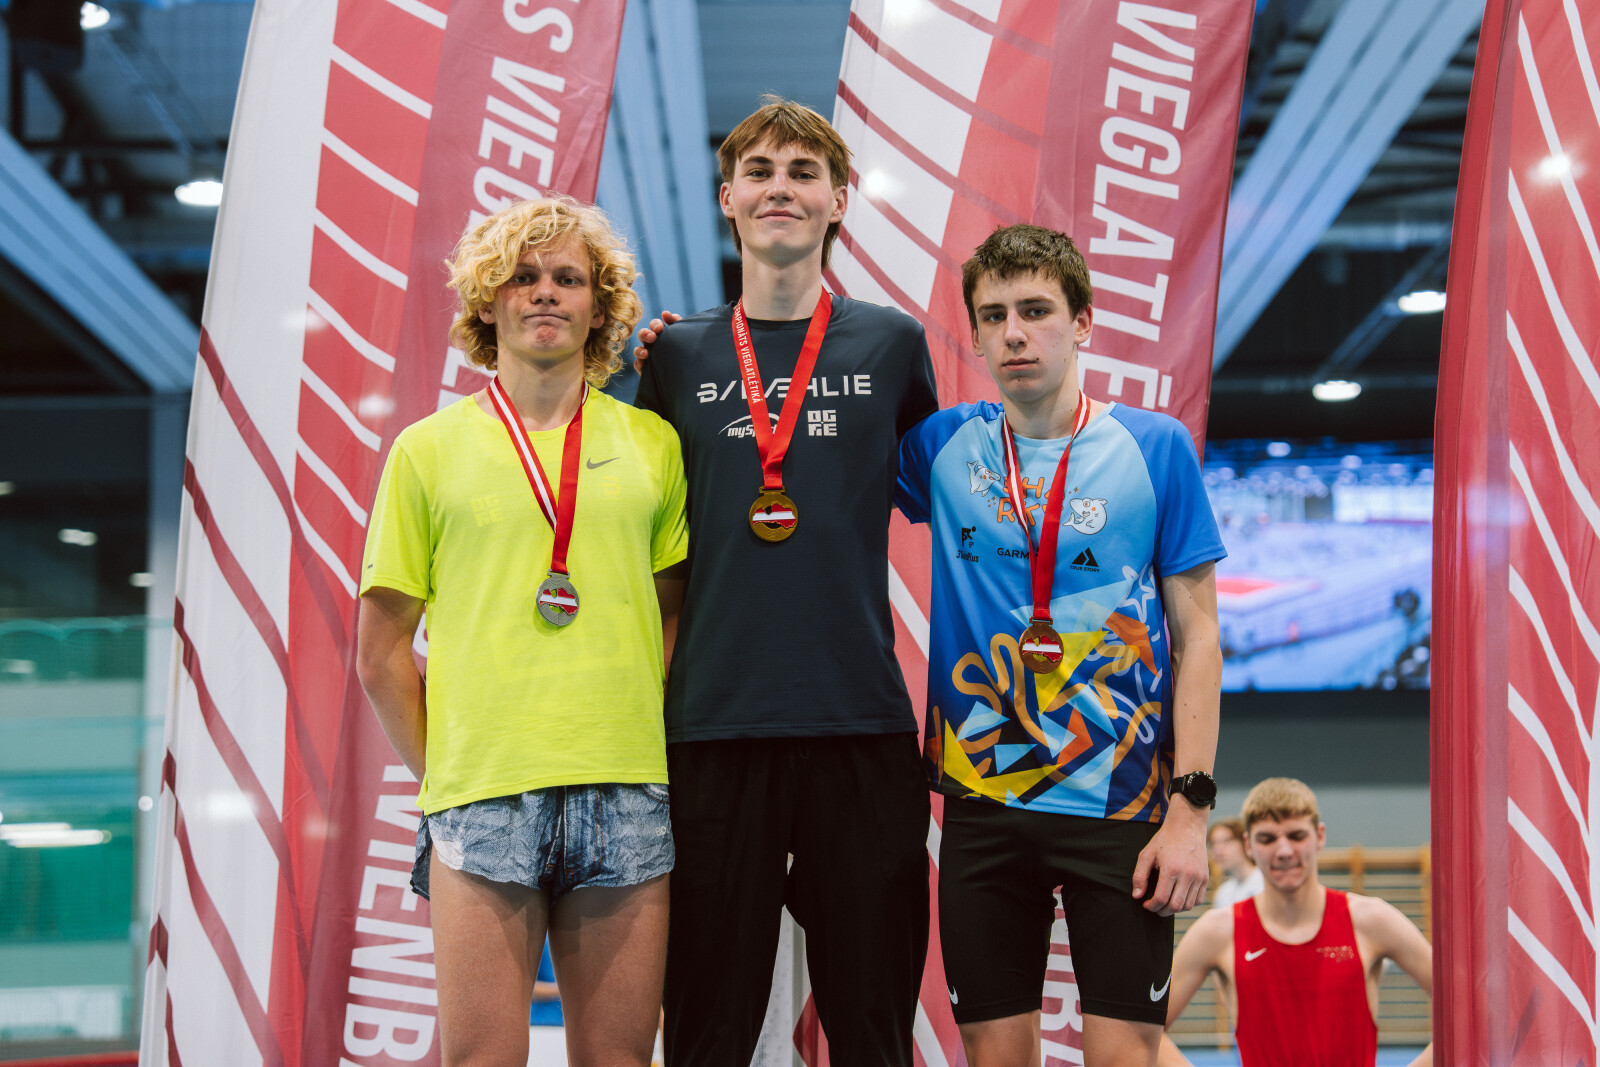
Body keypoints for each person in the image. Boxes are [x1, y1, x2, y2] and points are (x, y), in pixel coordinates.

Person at [632, 95, 940, 1067]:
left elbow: (948, 501)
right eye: (758, 172)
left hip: (861, 725)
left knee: (874, 1030)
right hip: (710, 731)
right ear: (726, 197)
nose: (780, 188)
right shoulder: (675, 354)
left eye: (804, 173)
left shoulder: (893, 344)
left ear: (839, 200)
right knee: (707, 1031)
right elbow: (644, 538)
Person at [355, 196, 689, 1067]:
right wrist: (450, 773)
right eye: (522, 276)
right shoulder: (426, 451)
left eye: (568, 278)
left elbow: (673, 617)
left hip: (628, 784)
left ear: (600, 307)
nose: (545, 291)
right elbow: (380, 652)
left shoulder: (655, 445)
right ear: (487, 301)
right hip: (482, 794)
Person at [895, 223, 1225, 1067]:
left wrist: (1191, 808)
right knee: (996, 1056)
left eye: (1036, 310)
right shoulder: (941, 447)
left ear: (1082, 321)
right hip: (983, 803)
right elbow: (815, 463)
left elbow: (1199, 636)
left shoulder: (1155, 448)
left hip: (1121, 807)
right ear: (974, 335)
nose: (1014, 333)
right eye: (993, 315)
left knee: (1125, 1057)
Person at [1157, 778, 1434, 1067]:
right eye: (1267, 839)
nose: (1284, 851)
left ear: (1320, 836)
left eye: (1297, 836)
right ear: (1249, 845)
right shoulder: (1218, 932)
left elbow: (1461, 1008)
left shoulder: (1372, 919)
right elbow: (1148, 1029)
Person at [1207, 816, 1263, 909]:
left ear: (1245, 842)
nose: (1217, 850)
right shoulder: (1222, 894)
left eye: (1226, 841)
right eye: (1213, 843)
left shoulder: (1265, 884)